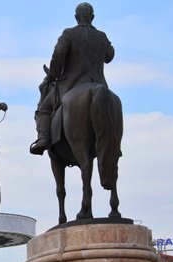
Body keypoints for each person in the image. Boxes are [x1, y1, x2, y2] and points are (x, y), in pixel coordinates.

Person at [30, 2, 115, 155]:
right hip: (99, 83)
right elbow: (110, 56)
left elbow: (58, 55)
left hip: (71, 85)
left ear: (76, 17)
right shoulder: (101, 36)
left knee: (43, 109)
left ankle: (43, 139)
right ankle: (113, 142)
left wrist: (52, 75)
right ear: (93, 17)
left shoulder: (69, 33)